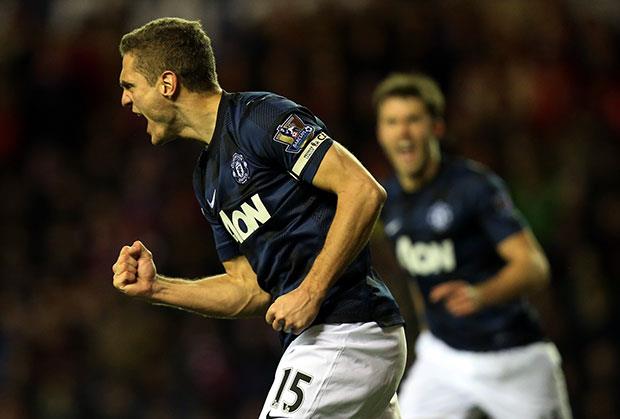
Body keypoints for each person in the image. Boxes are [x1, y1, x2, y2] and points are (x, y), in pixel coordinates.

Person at [111, 17, 406, 419]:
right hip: (322, 341)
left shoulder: (261, 119)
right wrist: (157, 288)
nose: (125, 100)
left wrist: (311, 291)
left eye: (130, 85)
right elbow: (248, 290)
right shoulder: (207, 177)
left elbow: (363, 191)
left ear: (167, 83)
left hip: (348, 330)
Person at [372, 73, 572, 419]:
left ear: (436, 127)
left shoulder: (474, 187)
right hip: (443, 358)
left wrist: (481, 294)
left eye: (413, 120)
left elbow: (534, 266)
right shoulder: (388, 199)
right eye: (392, 122)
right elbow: (418, 279)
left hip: (513, 359)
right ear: (380, 132)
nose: (403, 132)